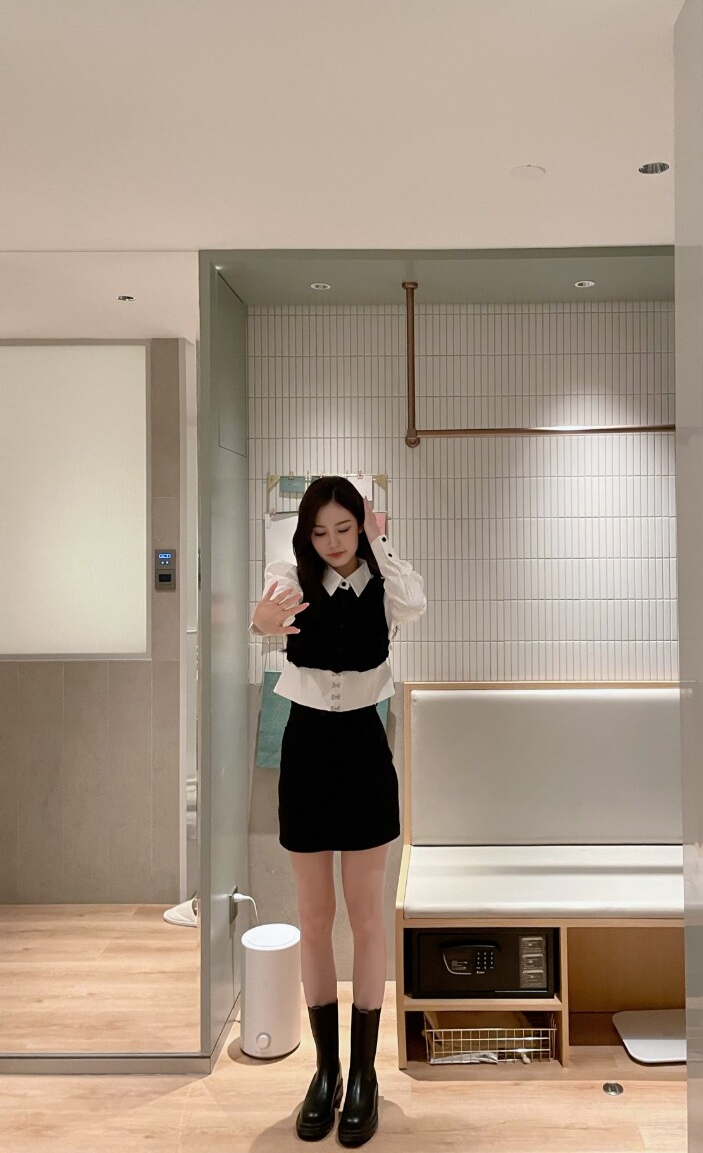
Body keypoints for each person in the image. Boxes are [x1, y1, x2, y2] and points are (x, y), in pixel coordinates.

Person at [250, 476, 426, 1147]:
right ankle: (325, 1072)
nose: (332, 543)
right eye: (319, 532)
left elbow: (415, 604)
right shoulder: (289, 576)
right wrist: (260, 623)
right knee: (315, 918)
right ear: (306, 533)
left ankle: (364, 1076)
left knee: (367, 917)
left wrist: (381, 543)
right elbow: (264, 620)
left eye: (344, 529)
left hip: (362, 748)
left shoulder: (385, 579)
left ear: (362, 525)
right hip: (306, 751)